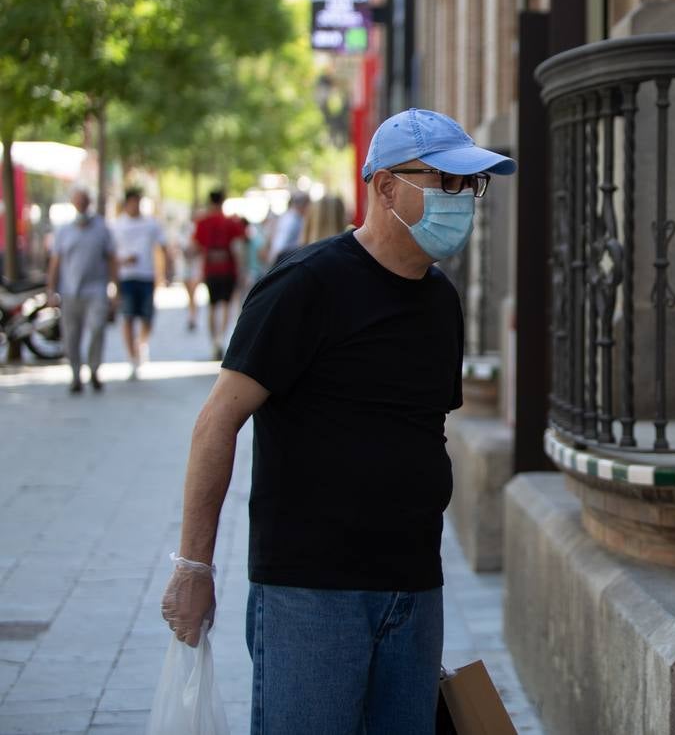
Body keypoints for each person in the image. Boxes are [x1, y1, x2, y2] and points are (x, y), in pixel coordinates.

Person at [160, 108, 516, 732]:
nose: (463, 201)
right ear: (384, 187)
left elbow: (421, 433)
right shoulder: (305, 285)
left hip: (414, 589)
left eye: (471, 187)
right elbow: (217, 421)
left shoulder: (441, 301)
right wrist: (194, 568)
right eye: (447, 183)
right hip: (310, 595)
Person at [46, 188, 117, 393]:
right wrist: (51, 290)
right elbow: (55, 262)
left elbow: (111, 259)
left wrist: (115, 288)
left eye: (84, 202)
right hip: (70, 291)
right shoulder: (64, 230)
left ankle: (94, 370)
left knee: (97, 329)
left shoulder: (101, 228)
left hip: (96, 289)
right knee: (71, 335)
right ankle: (75, 374)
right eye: (78, 202)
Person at [110, 188, 173, 378]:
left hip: (146, 275)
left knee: (147, 316)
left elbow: (163, 247)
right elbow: (110, 255)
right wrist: (120, 265)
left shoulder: (151, 224)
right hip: (126, 276)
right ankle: (132, 357)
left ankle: (141, 344)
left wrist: (167, 271)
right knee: (128, 316)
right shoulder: (117, 225)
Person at [192, 189, 246, 360]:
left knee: (212, 305)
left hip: (210, 270)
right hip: (228, 270)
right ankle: (221, 339)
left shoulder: (202, 222)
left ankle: (213, 341)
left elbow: (195, 246)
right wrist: (241, 269)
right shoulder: (231, 223)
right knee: (226, 305)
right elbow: (238, 247)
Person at [265, 190, 309, 266]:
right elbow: (281, 244)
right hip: (284, 261)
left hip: (283, 259)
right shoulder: (293, 220)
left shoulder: (290, 217)